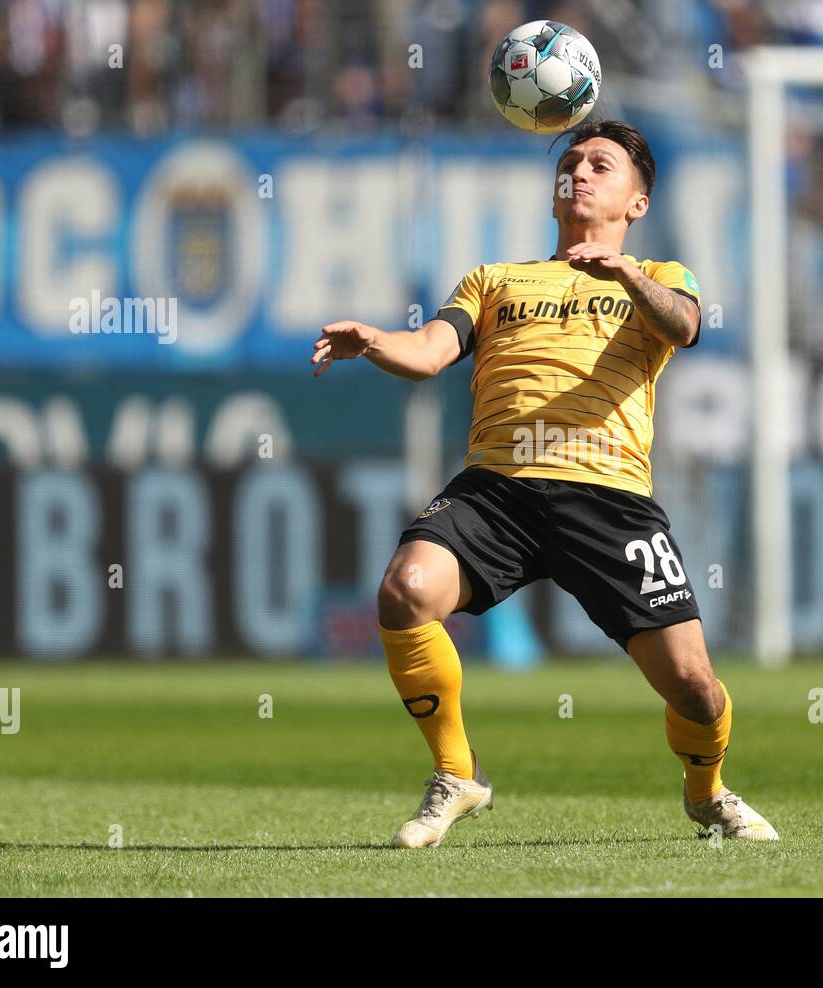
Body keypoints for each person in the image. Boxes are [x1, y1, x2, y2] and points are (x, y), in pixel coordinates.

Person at [310, 118, 778, 848]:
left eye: (602, 164)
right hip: (498, 489)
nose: (582, 173)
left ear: (638, 203)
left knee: (694, 685)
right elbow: (432, 352)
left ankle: (706, 792)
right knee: (405, 592)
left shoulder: (658, 276)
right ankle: (458, 773)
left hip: (610, 498)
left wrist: (622, 274)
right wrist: (373, 341)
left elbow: (685, 326)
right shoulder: (495, 280)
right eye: (572, 162)